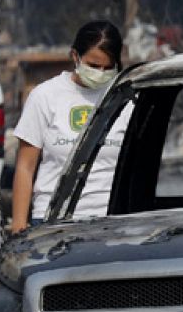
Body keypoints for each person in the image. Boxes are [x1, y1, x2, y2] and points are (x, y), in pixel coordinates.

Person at [10, 21, 127, 232]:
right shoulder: (45, 96)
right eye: (93, 65)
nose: (100, 72)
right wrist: (19, 225)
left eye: (108, 68)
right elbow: (25, 167)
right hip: (52, 223)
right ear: (75, 56)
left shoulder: (125, 99)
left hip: (111, 223)